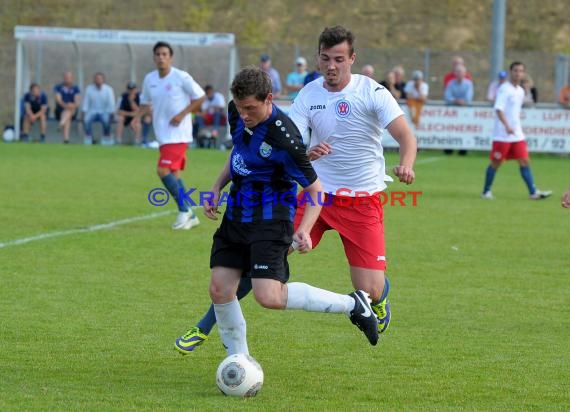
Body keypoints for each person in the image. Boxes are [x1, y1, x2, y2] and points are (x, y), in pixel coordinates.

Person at [175, 25, 417, 354]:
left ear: (352, 59)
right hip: (314, 197)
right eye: (325, 58)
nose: (331, 66)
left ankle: (378, 300)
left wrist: (407, 163)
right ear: (317, 58)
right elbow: (292, 142)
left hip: (362, 201)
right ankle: (204, 326)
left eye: (339, 59)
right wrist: (307, 153)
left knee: (370, 289)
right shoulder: (309, 95)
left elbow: (405, 135)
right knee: (262, 261)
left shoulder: (372, 92)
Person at [135, 41, 206, 230]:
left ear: (170, 57)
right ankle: (191, 215)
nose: (161, 57)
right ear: (154, 57)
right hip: (162, 135)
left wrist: (183, 114)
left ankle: (184, 210)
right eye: (158, 54)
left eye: (165, 54)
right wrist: (136, 118)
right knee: (174, 173)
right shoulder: (149, 79)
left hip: (178, 135)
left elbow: (200, 96)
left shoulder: (180, 77)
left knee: (162, 170)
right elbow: (144, 103)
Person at [481, 61, 552, 201]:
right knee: (496, 163)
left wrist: (514, 125)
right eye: (515, 70)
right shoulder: (504, 89)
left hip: (517, 134)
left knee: (525, 161)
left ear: (523, 73)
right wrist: (507, 125)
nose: (518, 73)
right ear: (510, 72)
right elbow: (499, 109)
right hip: (502, 134)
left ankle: (533, 192)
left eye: (520, 71)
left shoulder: (520, 90)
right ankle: (486, 192)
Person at [82, 72, 116, 145]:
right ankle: (89, 137)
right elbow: (86, 102)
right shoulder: (89, 89)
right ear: (94, 80)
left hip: (104, 111)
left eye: (100, 79)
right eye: (96, 79)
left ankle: (106, 137)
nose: (98, 80)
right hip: (92, 111)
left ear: (103, 80)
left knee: (106, 121)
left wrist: (112, 112)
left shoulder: (108, 89)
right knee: (86, 120)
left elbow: (111, 102)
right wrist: (83, 112)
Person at [53, 71, 81, 144]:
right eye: (66, 78)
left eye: (69, 78)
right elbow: (58, 100)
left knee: (69, 112)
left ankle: (61, 125)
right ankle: (66, 138)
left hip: (72, 110)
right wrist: (66, 105)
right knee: (67, 115)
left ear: (72, 78)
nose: (67, 79)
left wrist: (72, 105)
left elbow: (77, 102)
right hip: (59, 111)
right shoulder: (58, 87)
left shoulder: (76, 88)